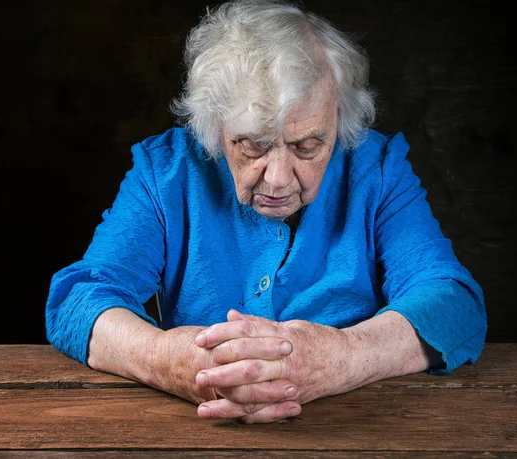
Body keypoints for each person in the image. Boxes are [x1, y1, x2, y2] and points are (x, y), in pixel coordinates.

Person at [45, 0, 487, 424]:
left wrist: (345, 356)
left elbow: (453, 302)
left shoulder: (379, 168)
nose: (278, 178)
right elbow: (78, 300)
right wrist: (168, 361)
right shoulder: (166, 171)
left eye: (308, 145)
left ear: (340, 120)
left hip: (368, 425)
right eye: (253, 144)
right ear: (214, 127)